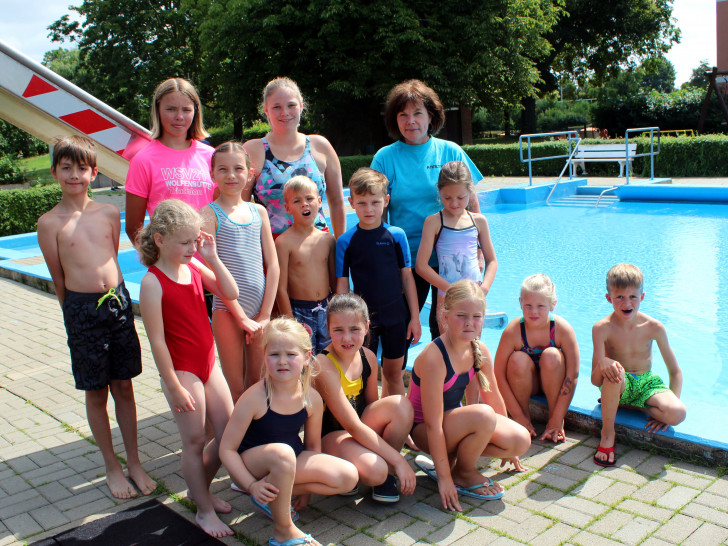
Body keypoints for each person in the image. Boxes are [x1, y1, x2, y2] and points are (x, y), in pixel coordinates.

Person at [37, 135, 157, 500]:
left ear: (94, 172)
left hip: (118, 305)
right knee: (96, 391)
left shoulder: (108, 212)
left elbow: (112, 257)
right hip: (81, 310)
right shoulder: (49, 223)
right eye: (67, 168)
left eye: (82, 168)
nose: (75, 175)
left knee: (125, 385)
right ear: (56, 171)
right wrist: (74, 317)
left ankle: (134, 461)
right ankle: (112, 466)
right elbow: (59, 278)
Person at [138, 199, 238, 537]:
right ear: (160, 240)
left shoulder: (195, 266)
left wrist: (211, 257)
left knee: (228, 434)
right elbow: (157, 342)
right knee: (194, 440)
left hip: (208, 363)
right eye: (185, 242)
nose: (191, 248)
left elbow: (231, 291)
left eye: (195, 240)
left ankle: (200, 490)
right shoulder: (153, 282)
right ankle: (204, 511)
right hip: (182, 370)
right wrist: (173, 385)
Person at [220, 317, 358, 546]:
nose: (282, 361)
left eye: (291, 355)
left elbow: (313, 449)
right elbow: (226, 449)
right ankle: (283, 531)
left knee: (348, 477)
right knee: (283, 453)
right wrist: (250, 484)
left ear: (306, 357)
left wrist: (306, 492)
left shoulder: (311, 398)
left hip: (287, 461)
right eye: (274, 354)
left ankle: (271, 499)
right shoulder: (255, 397)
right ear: (264, 356)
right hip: (251, 465)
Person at [371, 79, 485, 338]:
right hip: (409, 259)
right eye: (403, 115)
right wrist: (386, 258)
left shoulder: (450, 151)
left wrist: (477, 254)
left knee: (448, 330)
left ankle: (452, 378)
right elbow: (378, 212)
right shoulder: (385, 158)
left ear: (431, 116)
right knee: (400, 326)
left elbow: (472, 204)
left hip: (452, 260)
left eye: (417, 113)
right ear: (395, 119)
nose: (410, 121)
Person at [408, 280, 531, 512]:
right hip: (425, 430)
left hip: (453, 426)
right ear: (445, 316)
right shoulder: (436, 357)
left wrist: (511, 449)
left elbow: (493, 398)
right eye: (461, 315)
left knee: (521, 440)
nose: (469, 323)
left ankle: (458, 464)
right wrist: (443, 479)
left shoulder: (479, 350)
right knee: (483, 415)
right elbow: (434, 425)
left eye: (476, 317)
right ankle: (461, 473)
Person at [313, 293, 416, 504]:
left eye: (355, 330)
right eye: (338, 330)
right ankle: (378, 471)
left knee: (401, 405)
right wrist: (399, 461)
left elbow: (371, 409)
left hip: (357, 431)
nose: (347, 338)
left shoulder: (367, 357)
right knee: (376, 469)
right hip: (331, 438)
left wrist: (399, 432)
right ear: (327, 327)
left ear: (367, 327)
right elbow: (351, 425)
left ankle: (381, 474)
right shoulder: (323, 364)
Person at [200, 141, 279, 401]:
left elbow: (273, 265)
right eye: (222, 169)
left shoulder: (259, 212)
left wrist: (265, 314)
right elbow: (210, 271)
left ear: (250, 171)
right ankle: (238, 440)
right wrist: (240, 317)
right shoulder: (209, 215)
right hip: (226, 311)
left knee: (257, 381)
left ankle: (258, 435)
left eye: (237, 168)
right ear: (212, 174)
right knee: (236, 387)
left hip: (259, 311)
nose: (231, 175)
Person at [335, 168, 420, 396]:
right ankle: (371, 422)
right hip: (364, 322)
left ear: (386, 201)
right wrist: (345, 322)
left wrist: (414, 317)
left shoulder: (396, 235)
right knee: (365, 373)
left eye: (375, 202)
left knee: (394, 374)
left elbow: (407, 278)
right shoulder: (346, 241)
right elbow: (342, 286)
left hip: (396, 317)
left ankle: (395, 423)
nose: (369, 209)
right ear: (351, 202)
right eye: (362, 203)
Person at [591, 263, 686, 467]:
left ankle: (631, 406)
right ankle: (608, 435)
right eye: (620, 297)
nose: (627, 303)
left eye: (633, 296)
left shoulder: (654, 327)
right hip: (618, 382)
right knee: (615, 371)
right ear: (609, 298)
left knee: (678, 413)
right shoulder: (601, 328)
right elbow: (594, 379)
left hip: (646, 384)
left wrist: (666, 415)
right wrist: (604, 363)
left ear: (642, 297)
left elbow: (675, 372)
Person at [243, 77, 346, 238]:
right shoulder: (252, 150)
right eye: (277, 107)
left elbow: (337, 202)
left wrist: (342, 250)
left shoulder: (320, 146)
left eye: (291, 105)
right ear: (266, 110)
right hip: (273, 251)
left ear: (301, 106)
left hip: (319, 248)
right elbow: (239, 207)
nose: (285, 112)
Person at [125, 78, 215, 244]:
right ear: (158, 109)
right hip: (171, 267)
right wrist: (159, 263)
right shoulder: (143, 160)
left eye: (186, 110)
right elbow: (133, 228)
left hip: (212, 263)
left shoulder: (211, 156)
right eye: (171, 109)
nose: (179, 117)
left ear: (195, 111)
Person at [494, 274, 580, 444]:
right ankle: (524, 421)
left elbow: (573, 374)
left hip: (553, 380)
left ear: (552, 304)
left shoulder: (562, 329)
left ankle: (554, 421)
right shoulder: (513, 331)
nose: (534, 311)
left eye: (540, 306)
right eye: (528, 305)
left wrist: (558, 416)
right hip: (529, 384)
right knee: (517, 360)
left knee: (552, 356)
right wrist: (517, 415)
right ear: (520, 303)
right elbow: (498, 374)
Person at [416, 160, 497, 334]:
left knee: (472, 348)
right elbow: (421, 266)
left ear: (470, 192)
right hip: (447, 297)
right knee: (448, 349)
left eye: (461, 198)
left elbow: (492, 261)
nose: (454, 203)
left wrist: (484, 289)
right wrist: (451, 290)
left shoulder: (479, 221)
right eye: (447, 198)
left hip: (474, 296)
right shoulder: (434, 222)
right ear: (439, 192)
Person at [275, 176, 336, 353]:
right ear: (287, 208)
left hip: (326, 309)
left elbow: (334, 283)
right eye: (297, 201)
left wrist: (336, 313)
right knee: (303, 359)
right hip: (299, 311)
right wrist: (289, 322)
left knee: (329, 357)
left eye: (309, 199)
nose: (304, 204)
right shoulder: (284, 242)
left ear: (319, 201)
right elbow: (281, 288)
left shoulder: (327, 239)